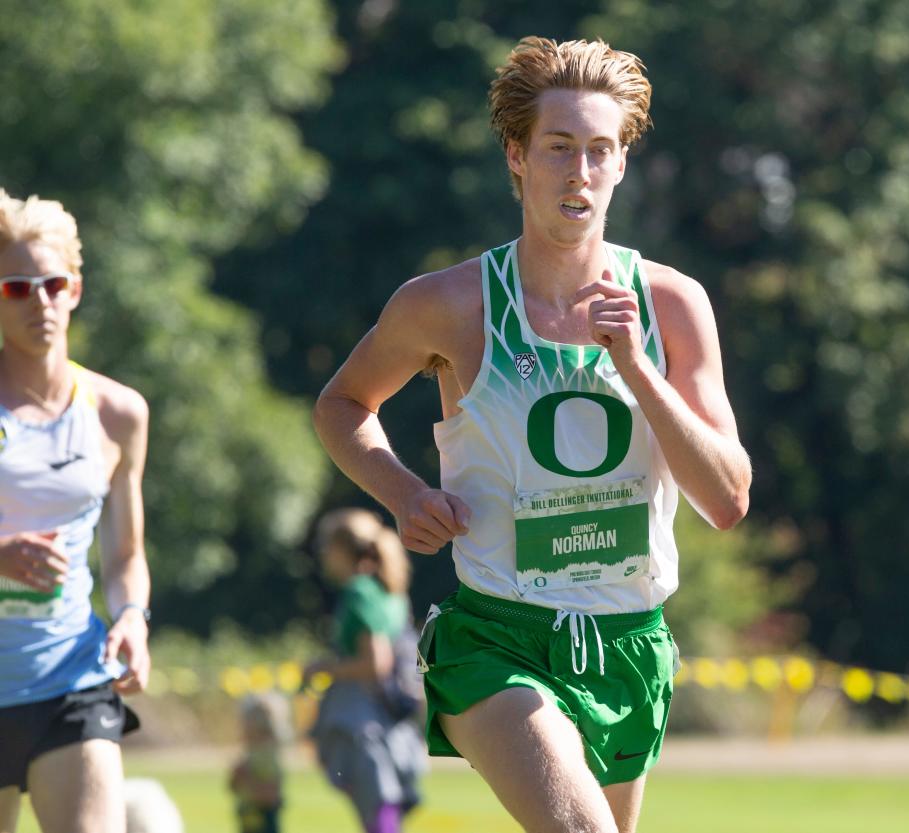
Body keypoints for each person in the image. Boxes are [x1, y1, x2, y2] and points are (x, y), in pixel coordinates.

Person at [313, 36, 752, 833]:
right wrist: (403, 491)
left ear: (622, 164)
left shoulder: (673, 305)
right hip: (500, 638)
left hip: (631, 641)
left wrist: (639, 370)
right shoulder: (446, 304)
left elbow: (726, 498)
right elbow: (342, 404)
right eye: (558, 148)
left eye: (599, 150)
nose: (578, 171)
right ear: (517, 157)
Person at [0, 190, 152, 833]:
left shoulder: (119, 413)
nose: (40, 301)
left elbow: (124, 555)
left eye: (52, 283)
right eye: (16, 288)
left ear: (76, 290)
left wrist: (131, 618)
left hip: (70, 678)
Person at [305, 508, 426, 833]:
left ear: (344, 549)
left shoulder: (360, 591)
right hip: (391, 715)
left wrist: (323, 668)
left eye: (326, 546)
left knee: (376, 804)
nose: (324, 555)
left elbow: (376, 662)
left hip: (364, 716)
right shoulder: (390, 590)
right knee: (385, 806)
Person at [228, 692, 290, 833]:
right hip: (248, 817)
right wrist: (236, 776)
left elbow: (271, 795)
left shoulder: (268, 757)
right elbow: (232, 787)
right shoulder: (249, 755)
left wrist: (247, 778)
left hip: (264, 817)